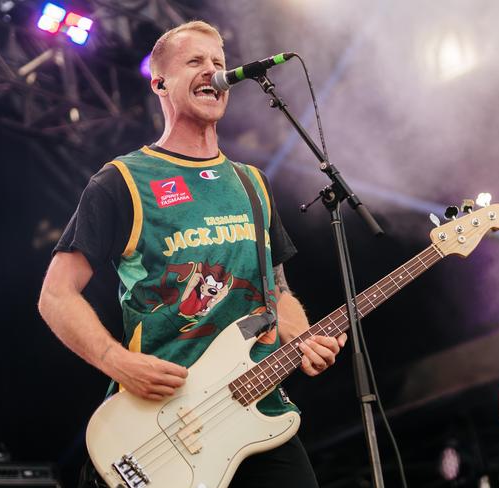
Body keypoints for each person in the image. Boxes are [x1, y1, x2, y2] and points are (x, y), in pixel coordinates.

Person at [38, 20, 346, 488]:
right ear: (160, 82)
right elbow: (56, 296)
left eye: (219, 62)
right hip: (163, 422)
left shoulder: (251, 183)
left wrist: (303, 339)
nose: (213, 71)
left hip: (260, 408)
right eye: (195, 61)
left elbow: (275, 288)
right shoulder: (122, 181)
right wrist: (117, 361)